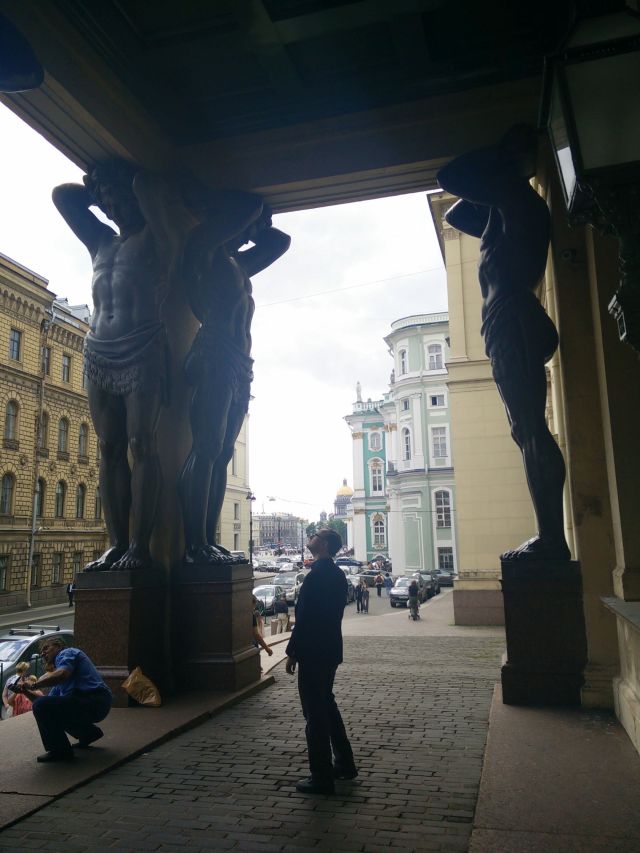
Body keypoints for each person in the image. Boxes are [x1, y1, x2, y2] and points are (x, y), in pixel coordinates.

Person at [437, 126, 570, 563]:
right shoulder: (504, 210)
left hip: (512, 317)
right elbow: (456, 214)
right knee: (526, 430)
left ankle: (551, 538)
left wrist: (499, 154)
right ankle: (550, 533)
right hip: (509, 320)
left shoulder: (518, 201)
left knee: (531, 430)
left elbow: (451, 175)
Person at [53, 162, 190, 571]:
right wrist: (101, 189)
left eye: (118, 198)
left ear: (135, 199)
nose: (112, 206)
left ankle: (140, 546)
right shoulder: (100, 242)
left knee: (139, 446)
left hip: (142, 347)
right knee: (109, 449)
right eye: (106, 200)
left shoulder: (157, 239)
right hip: (97, 350)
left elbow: (150, 182)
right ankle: (116, 543)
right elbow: (63, 197)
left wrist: (126, 182)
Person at [179, 194, 290, 564]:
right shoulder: (203, 250)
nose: (248, 235)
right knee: (206, 449)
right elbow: (247, 210)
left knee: (223, 452)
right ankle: (194, 543)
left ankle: (206, 540)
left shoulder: (238, 264)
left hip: (240, 364)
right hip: (213, 353)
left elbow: (280, 242)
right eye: (243, 228)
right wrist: (250, 211)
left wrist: (258, 225)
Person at [285, 528, 356, 795]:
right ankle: (345, 763)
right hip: (329, 649)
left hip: (313, 651)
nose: (310, 537)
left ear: (323, 544)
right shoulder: (337, 575)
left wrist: (293, 652)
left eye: (314, 535)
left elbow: (305, 619)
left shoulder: (316, 577)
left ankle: (321, 775)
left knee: (314, 713)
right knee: (327, 706)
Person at [13, 637, 112, 762]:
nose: (43, 653)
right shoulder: (58, 674)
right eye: (42, 651)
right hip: (93, 703)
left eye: (46, 648)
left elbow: (62, 674)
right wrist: (25, 692)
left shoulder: (67, 653)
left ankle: (60, 751)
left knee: (45, 707)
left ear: (58, 646)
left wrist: (34, 685)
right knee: (48, 707)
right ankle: (88, 734)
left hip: (94, 699)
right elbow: (45, 702)